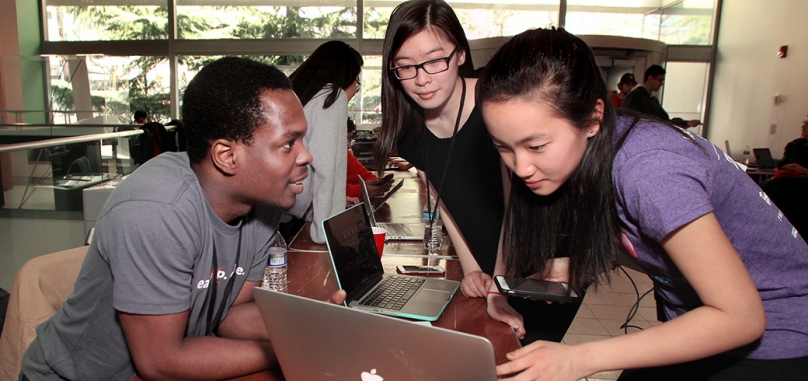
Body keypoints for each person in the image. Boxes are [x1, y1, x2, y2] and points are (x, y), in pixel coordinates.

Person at [478, 27, 808, 381]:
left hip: (776, 337)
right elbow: (653, 238)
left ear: (593, 118)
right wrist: (579, 264)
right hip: (697, 319)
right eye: (504, 147)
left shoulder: (649, 169)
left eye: (537, 146)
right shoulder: (591, 155)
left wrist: (579, 358)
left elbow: (741, 318)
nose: (521, 167)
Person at [21, 57, 314, 381]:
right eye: (289, 143)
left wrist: (314, 324)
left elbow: (231, 314)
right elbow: (161, 362)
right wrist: (287, 348)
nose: (306, 156)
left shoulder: (262, 201)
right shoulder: (158, 209)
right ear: (227, 156)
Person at [373, 0, 582, 344]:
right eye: (406, 67)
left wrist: (498, 289)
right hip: (492, 267)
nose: (421, 79)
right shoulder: (410, 132)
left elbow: (511, 207)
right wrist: (473, 269)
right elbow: (444, 201)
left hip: (542, 267)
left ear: (459, 54)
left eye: (435, 61)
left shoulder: (495, 108)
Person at [281, 40, 364, 244]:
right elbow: (328, 171)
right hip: (289, 212)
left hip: (275, 209)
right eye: (357, 82)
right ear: (348, 77)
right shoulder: (332, 97)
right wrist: (328, 229)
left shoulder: (300, 93)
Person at [622, 64, 701, 129]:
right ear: (650, 78)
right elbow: (627, 120)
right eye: (660, 80)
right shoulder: (636, 95)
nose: (661, 83)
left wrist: (686, 123)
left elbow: (664, 120)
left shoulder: (652, 99)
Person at [346, 118, 392, 198]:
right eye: (346, 140)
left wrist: (377, 185)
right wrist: (360, 191)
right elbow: (327, 191)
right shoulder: (320, 159)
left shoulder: (345, 156)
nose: (349, 146)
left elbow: (366, 176)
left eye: (350, 140)